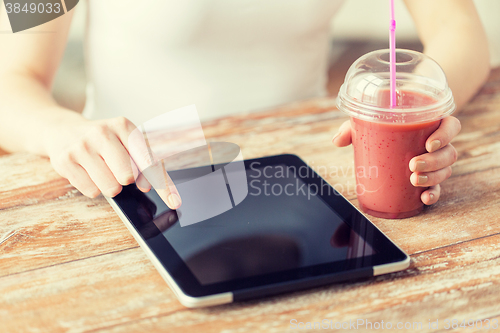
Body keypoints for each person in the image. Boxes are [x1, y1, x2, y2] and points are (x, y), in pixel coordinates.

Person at [0, 0, 490, 210]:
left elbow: (460, 30)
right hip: (138, 183)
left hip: (311, 178)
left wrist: (416, 108)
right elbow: (11, 79)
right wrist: (59, 130)